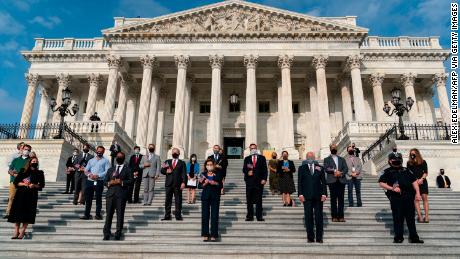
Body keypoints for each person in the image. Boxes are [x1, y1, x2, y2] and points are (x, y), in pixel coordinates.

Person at [378, 152, 424, 243]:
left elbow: (414, 182)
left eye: (398, 159)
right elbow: (381, 183)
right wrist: (392, 188)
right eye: (394, 159)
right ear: (390, 161)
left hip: (409, 197)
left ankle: (414, 237)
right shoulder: (387, 172)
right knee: (398, 218)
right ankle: (398, 237)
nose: (396, 161)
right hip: (396, 198)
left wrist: (418, 193)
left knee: (410, 218)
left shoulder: (406, 170)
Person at [8, 157, 45, 239]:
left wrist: (34, 185)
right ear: (29, 162)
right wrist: (24, 184)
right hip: (20, 195)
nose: (34, 162)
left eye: (36, 161)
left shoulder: (39, 173)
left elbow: (42, 185)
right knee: (18, 213)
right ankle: (16, 231)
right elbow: (16, 182)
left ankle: (22, 231)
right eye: (33, 161)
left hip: (31, 195)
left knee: (27, 213)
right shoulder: (22, 171)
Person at [103, 151, 133, 241]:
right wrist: (109, 183)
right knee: (109, 215)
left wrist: (122, 182)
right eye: (118, 156)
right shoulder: (111, 169)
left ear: (123, 159)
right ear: (116, 158)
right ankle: (106, 233)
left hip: (121, 195)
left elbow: (131, 181)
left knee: (120, 215)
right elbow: (105, 181)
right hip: (110, 195)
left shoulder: (128, 169)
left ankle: (118, 233)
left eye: (121, 156)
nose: (119, 158)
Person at [298, 152, 327, 243]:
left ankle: (319, 237)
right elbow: (299, 182)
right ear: (306, 158)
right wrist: (300, 194)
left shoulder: (320, 168)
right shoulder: (302, 168)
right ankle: (310, 237)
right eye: (308, 157)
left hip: (318, 196)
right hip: (306, 197)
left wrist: (324, 194)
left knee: (319, 217)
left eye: (311, 157)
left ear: (314, 158)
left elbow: (323, 182)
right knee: (308, 217)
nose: (310, 158)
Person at [80, 146, 110, 220]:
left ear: (103, 152)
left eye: (101, 151)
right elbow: (86, 170)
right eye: (98, 151)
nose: (99, 152)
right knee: (88, 198)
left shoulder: (106, 161)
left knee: (98, 198)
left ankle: (98, 214)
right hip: (89, 181)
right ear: (96, 151)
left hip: (99, 181)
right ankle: (87, 214)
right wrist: (90, 175)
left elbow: (107, 171)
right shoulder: (91, 160)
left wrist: (98, 175)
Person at [200, 159, 224, 242]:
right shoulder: (203, 174)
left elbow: (220, 185)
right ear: (205, 165)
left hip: (215, 196)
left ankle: (214, 234)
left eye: (211, 164)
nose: (209, 166)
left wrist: (215, 183)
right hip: (205, 197)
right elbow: (200, 186)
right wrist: (205, 183)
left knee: (214, 215)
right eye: (208, 164)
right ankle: (205, 234)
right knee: (205, 215)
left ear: (213, 165)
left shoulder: (218, 173)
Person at [242, 143, 268, 221]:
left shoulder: (262, 158)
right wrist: (247, 172)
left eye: (254, 148)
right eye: (251, 148)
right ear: (250, 149)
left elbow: (265, 170)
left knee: (259, 199)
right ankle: (249, 216)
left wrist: (264, 179)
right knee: (249, 199)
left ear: (257, 149)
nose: (253, 150)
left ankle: (259, 216)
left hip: (259, 182)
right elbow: (244, 169)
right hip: (249, 182)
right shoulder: (247, 158)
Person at [160, 147, 187, 221]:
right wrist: (166, 172)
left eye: (176, 152)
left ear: (179, 154)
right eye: (173, 152)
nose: (174, 153)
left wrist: (184, 182)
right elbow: (162, 170)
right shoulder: (167, 161)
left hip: (177, 184)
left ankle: (178, 215)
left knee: (178, 200)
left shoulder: (182, 163)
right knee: (168, 200)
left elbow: (184, 174)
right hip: (168, 184)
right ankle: (167, 215)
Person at [323, 144, 348, 222]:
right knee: (333, 199)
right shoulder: (326, 159)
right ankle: (334, 216)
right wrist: (334, 171)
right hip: (332, 181)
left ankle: (341, 216)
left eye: (335, 147)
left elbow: (346, 168)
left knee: (341, 199)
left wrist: (341, 173)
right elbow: (326, 168)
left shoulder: (342, 159)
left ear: (337, 149)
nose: (334, 148)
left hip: (341, 180)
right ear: (330, 149)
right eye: (332, 147)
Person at [5, 144, 31, 219]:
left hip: (24, 182)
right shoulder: (16, 160)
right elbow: (9, 170)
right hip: (14, 181)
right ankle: (8, 213)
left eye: (28, 150)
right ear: (22, 150)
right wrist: (14, 174)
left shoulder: (30, 161)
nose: (27, 151)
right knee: (11, 197)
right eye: (25, 149)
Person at [407, 148, 429, 223]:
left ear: (417, 154)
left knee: (424, 197)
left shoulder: (423, 162)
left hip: (422, 182)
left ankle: (426, 216)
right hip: (414, 183)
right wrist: (415, 180)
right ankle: (420, 217)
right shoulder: (409, 163)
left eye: (413, 153)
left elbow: (425, 172)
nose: (412, 155)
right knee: (416, 199)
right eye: (411, 154)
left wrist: (421, 179)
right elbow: (409, 173)